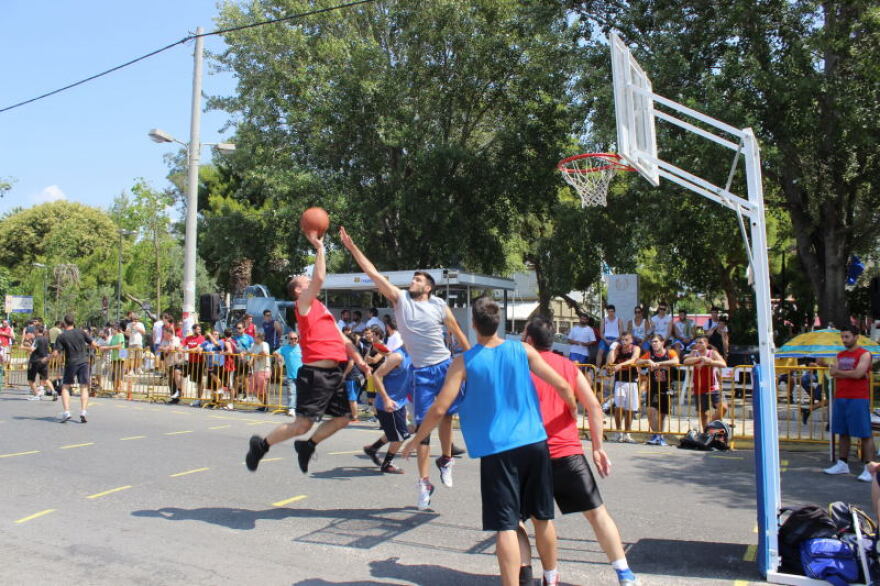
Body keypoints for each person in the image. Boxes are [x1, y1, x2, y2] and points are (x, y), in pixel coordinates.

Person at [401, 297, 577, 586]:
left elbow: (440, 408)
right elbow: (561, 384)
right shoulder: (522, 349)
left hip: (499, 450)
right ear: (500, 323)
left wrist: (416, 439)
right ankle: (551, 577)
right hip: (534, 442)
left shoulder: (464, 361)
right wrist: (570, 409)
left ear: (473, 325)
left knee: (506, 524)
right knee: (542, 517)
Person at [340, 226, 472, 509]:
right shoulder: (400, 300)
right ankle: (424, 483)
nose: (413, 280)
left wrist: (473, 359)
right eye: (413, 277)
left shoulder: (439, 305)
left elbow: (458, 334)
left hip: (445, 366)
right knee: (423, 428)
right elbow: (374, 273)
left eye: (418, 278)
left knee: (447, 417)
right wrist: (352, 248)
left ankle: (446, 460)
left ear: (428, 287)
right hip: (422, 371)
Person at [245, 231, 371, 475]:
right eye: (306, 281)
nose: (309, 280)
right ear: (299, 291)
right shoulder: (302, 305)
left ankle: (307, 446)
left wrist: (360, 362)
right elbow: (320, 276)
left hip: (335, 373)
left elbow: (342, 338)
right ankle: (260, 446)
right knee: (303, 424)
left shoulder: (320, 308)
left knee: (344, 418)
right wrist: (320, 248)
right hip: (315, 373)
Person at [524, 317, 638, 586]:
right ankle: (625, 573)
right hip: (568, 452)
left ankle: (550, 576)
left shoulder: (522, 367)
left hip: (534, 453)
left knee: (541, 519)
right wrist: (597, 448)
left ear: (529, 340)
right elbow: (594, 407)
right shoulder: (567, 366)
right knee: (597, 513)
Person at [824, 325, 875, 482]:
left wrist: (840, 373)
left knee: (864, 433)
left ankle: (870, 467)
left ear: (856, 337)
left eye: (847, 337)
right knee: (842, 431)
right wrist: (848, 374)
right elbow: (834, 372)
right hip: (841, 396)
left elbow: (859, 373)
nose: (844, 340)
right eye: (843, 337)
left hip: (858, 397)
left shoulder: (864, 354)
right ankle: (842, 463)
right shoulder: (840, 354)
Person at [362, 347, 413, 474]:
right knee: (401, 436)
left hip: (400, 403)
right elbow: (376, 376)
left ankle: (373, 449)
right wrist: (386, 399)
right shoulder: (398, 357)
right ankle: (387, 464)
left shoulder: (413, 353)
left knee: (395, 433)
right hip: (389, 404)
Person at [52, 315, 99, 423]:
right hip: (83, 361)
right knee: (84, 387)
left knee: (65, 387)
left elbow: (56, 353)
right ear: (74, 322)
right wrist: (87, 348)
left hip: (71, 363)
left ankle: (67, 412)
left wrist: (52, 356)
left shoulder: (62, 336)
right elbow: (94, 344)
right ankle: (83, 411)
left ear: (64, 323)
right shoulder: (81, 332)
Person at [638, 334, 680, 446]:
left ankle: (659, 436)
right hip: (653, 387)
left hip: (666, 387)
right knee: (651, 411)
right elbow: (638, 361)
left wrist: (659, 364)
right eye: (652, 342)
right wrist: (648, 362)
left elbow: (676, 361)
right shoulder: (650, 354)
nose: (654, 344)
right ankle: (656, 435)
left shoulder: (670, 352)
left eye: (656, 341)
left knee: (662, 414)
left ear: (662, 342)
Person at [683, 335, 727, 429]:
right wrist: (700, 359)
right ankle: (706, 433)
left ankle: (710, 426)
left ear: (706, 344)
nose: (698, 344)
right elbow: (686, 361)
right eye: (697, 342)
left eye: (701, 342)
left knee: (723, 407)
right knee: (703, 413)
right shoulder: (694, 353)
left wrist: (709, 361)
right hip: (699, 386)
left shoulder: (713, 353)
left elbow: (723, 364)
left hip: (713, 386)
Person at [605, 332, 640, 443]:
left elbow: (634, 359)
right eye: (622, 340)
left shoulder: (636, 348)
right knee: (618, 407)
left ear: (631, 340)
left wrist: (621, 365)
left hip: (632, 381)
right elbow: (610, 363)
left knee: (630, 409)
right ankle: (618, 432)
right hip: (619, 381)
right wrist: (612, 349)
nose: (624, 342)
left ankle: (627, 433)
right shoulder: (618, 349)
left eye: (626, 339)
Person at [275, 330, 303, 416]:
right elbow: (275, 352)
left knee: (301, 393)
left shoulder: (302, 347)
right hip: (291, 375)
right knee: (292, 392)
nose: (294, 340)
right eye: (292, 338)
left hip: (302, 375)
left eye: (295, 338)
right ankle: (291, 409)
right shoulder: (285, 348)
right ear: (289, 339)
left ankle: (300, 409)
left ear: (298, 339)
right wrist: (279, 355)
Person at [26, 325, 55, 400]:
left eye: (35, 330)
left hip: (35, 361)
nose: (34, 331)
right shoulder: (46, 339)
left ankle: (36, 394)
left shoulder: (37, 339)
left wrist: (24, 347)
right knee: (45, 378)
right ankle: (54, 392)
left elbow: (32, 349)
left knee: (31, 379)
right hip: (44, 361)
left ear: (37, 331)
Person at [200, 328, 226, 407]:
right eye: (214, 334)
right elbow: (200, 348)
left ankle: (219, 396)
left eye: (217, 334)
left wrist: (210, 336)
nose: (216, 335)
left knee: (217, 381)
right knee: (212, 384)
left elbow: (217, 346)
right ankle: (214, 400)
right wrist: (200, 350)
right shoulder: (206, 342)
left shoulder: (221, 342)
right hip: (209, 364)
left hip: (218, 364)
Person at [158, 326, 185, 404]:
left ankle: (177, 397)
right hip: (169, 363)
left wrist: (166, 348)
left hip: (176, 362)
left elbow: (173, 348)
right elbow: (159, 348)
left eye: (164, 333)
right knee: (170, 380)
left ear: (169, 333)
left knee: (175, 379)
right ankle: (173, 397)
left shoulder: (175, 339)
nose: (163, 335)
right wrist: (165, 348)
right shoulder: (164, 340)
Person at [183, 324, 206, 404]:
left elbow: (198, 348)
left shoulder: (201, 338)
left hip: (199, 361)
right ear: (193, 330)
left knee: (199, 381)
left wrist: (187, 351)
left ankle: (199, 399)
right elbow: (182, 345)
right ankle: (178, 394)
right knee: (180, 373)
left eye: (200, 329)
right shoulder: (188, 338)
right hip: (190, 362)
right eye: (197, 329)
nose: (199, 331)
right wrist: (180, 348)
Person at [249, 330, 272, 410]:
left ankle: (265, 405)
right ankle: (264, 404)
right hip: (256, 370)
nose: (254, 338)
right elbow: (249, 352)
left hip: (264, 369)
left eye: (255, 336)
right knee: (252, 388)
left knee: (262, 389)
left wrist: (257, 357)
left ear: (260, 338)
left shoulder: (264, 344)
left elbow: (264, 352)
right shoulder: (253, 345)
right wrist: (243, 353)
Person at [106, 323, 127, 396]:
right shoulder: (113, 337)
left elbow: (119, 346)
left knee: (120, 374)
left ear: (116, 329)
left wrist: (108, 348)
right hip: (114, 357)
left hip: (121, 357)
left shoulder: (120, 335)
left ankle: (121, 390)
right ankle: (115, 389)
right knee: (114, 374)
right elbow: (109, 345)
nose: (111, 331)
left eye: (112, 330)